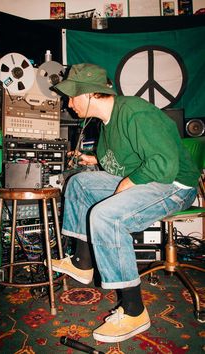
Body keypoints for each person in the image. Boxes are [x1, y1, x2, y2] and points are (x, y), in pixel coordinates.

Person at [51, 63, 199, 343]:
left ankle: (134, 311)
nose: (69, 104)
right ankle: (83, 264)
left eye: (72, 96)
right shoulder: (106, 127)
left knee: (106, 216)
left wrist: (126, 185)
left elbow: (163, 164)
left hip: (176, 184)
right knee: (80, 182)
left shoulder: (133, 110)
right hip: (155, 177)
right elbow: (124, 164)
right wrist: (95, 161)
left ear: (91, 93)